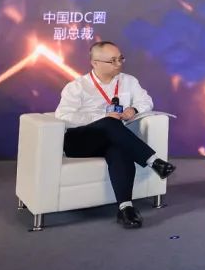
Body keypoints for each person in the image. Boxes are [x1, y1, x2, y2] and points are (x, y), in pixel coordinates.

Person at [53, 41, 176, 228]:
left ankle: (126, 209)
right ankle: (153, 161)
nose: (119, 64)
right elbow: (64, 116)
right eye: (112, 61)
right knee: (110, 123)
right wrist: (101, 117)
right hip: (80, 141)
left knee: (119, 148)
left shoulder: (129, 81)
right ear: (95, 63)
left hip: (112, 138)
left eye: (120, 59)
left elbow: (146, 101)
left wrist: (133, 109)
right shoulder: (77, 86)